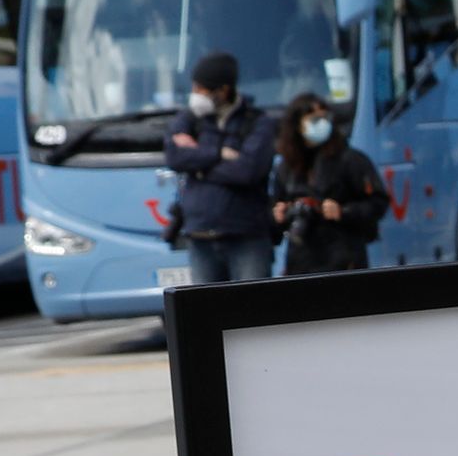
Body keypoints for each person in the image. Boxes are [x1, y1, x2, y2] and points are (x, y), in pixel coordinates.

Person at [165, 50, 282, 284]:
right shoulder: (190, 119)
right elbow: (175, 157)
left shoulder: (257, 122)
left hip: (246, 236)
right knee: (206, 313)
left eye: (201, 89)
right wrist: (218, 154)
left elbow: (247, 171)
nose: (195, 95)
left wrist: (199, 167)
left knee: (253, 312)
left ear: (223, 91)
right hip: (200, 236)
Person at [271, 93, 388, 275]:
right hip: (301, 260)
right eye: (313, 119)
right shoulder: (287, 167)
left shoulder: (350, 159)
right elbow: (275, 210)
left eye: (324, 118)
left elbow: (378, 203)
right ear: (297, 125)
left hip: (344, 256)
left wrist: (343, 211)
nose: (321, 123)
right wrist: (279, 215)